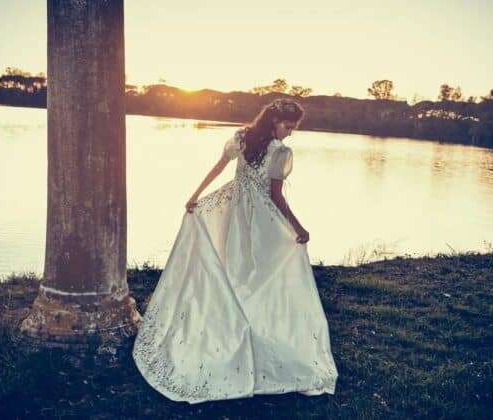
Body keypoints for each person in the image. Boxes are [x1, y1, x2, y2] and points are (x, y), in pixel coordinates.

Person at [132, 98, 339, 404]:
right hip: (262, 223)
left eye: (294, 127)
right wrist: (299, 228)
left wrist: (196, 194)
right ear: (274, 122)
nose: (291, 133)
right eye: (288, 126)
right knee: (259, 278)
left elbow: (220, 166)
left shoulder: (242, 138)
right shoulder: (280, 152)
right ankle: (246, 335)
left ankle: (242, 334)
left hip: (237, 216)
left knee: (239, 274)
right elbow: (276, 197)